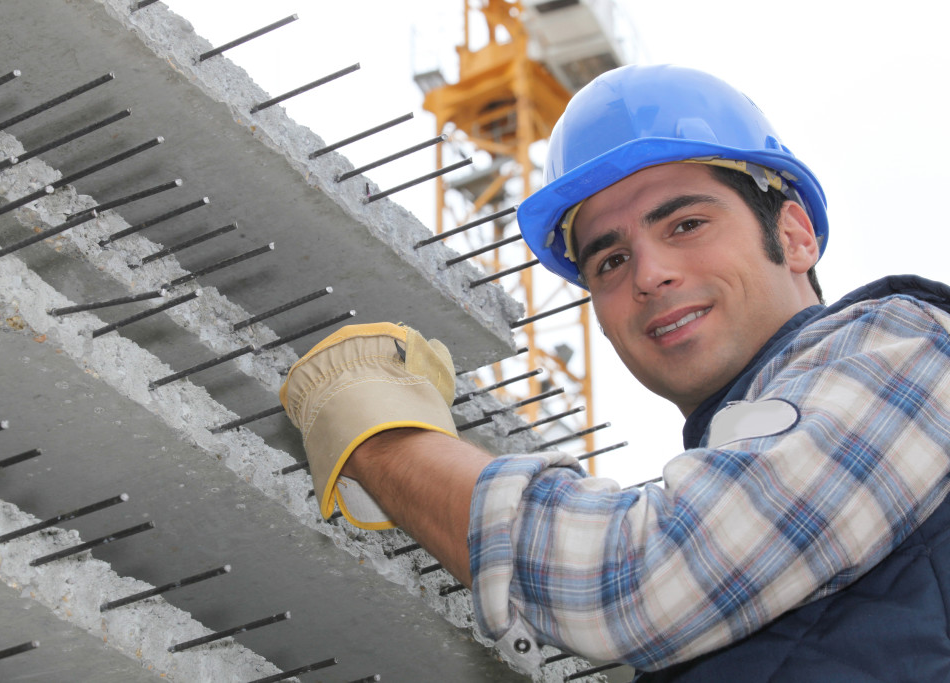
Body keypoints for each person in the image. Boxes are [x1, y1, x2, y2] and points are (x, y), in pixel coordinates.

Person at [280, 65, 950, 681]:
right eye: (609, 262)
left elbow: (640, 579)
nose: (650, 274)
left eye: (686, 223)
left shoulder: (912, 347)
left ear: (796, 234)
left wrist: (379, 435)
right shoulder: (731, 484)